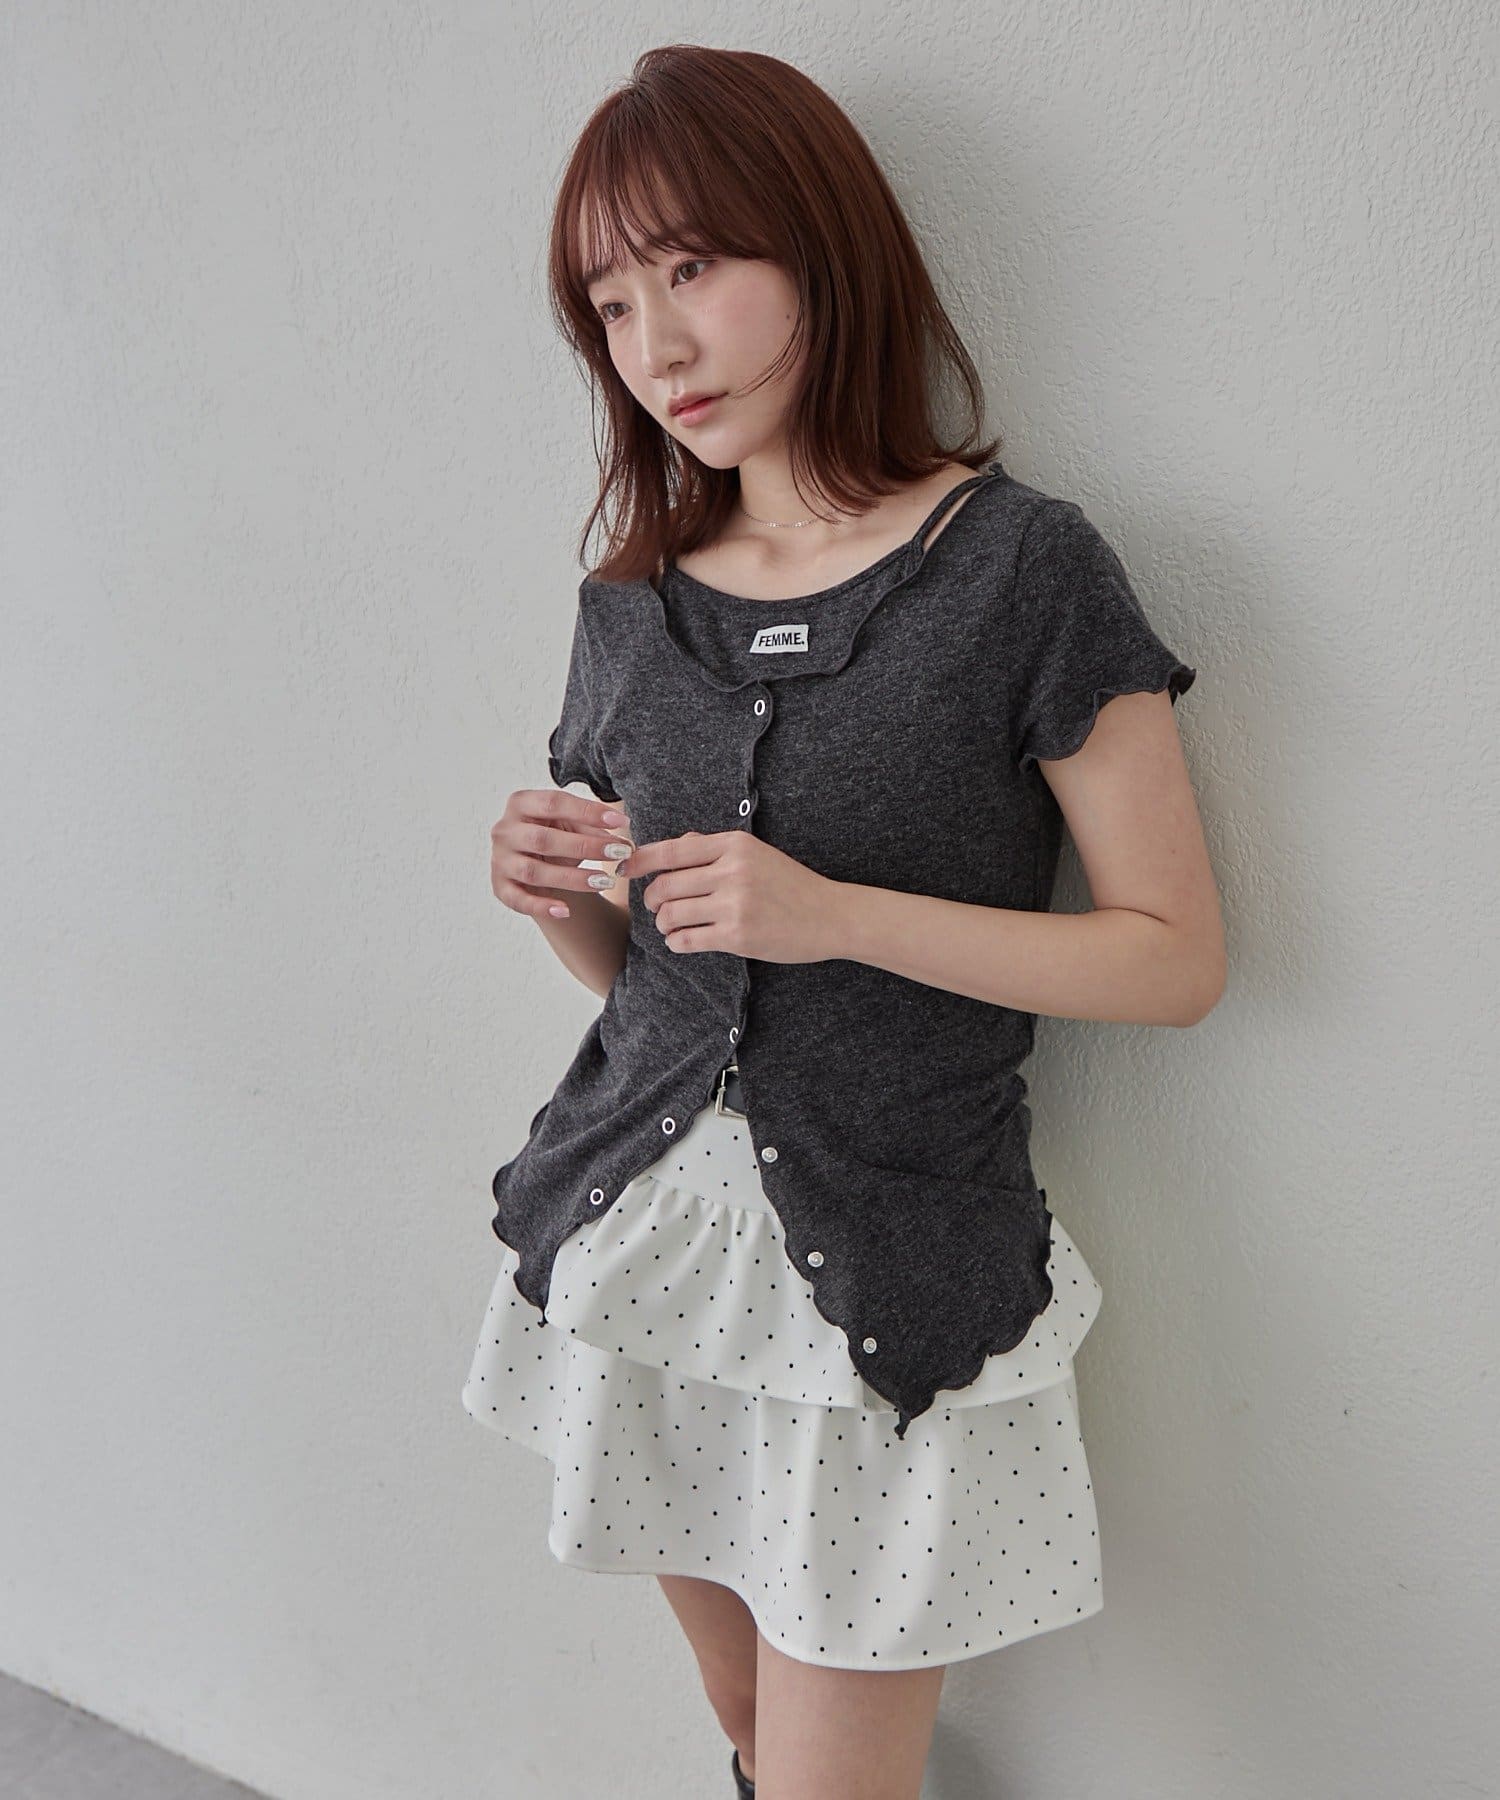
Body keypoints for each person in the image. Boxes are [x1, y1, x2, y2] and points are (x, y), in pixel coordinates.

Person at [465, 44, 1225, 1800]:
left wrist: (835, 915)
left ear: (821, 250)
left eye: (692, 268)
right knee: (749, 1735)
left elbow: (1174, 956)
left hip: (887, 1274)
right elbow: (657, 984)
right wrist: (558, 902)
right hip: (641, 1245)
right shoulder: (630, 603)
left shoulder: (1022, 569)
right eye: (610, 303)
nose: (657, 347)